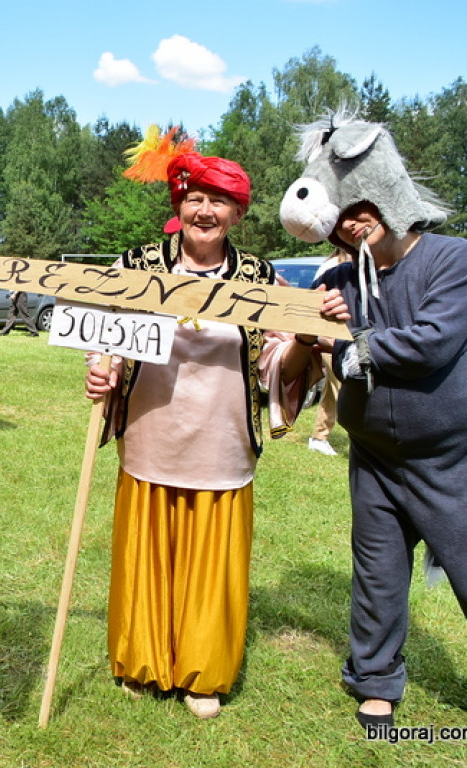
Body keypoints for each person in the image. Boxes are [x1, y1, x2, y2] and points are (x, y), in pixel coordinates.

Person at [85, 132, 349, 719]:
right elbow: (104, 337)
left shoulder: (259, 276)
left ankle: (203, 672)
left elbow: (275, 362)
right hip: (152, 433)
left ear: (237, 212)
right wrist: (100, 373)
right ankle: (144, 661)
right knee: (148, 551)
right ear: (178, 206)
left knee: (212, 560)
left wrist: (304, 339)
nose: (204, 210)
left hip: (222, 440)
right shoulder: (136, 266)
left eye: (218, 200)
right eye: (194, 197)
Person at [280, 109, 467, 729]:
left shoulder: (452, 259)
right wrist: (317, 323)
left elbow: (431, 341)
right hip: (375, 461)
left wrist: (352, 342)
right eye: (343, 213)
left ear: (390, 195)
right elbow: (309, 343)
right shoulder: (337, 277)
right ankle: (376, 680)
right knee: (378, 576)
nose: (354, 221)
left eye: (364, 206)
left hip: (450, 458)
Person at [307, 249, 352, 457]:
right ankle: (320, 437)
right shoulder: (332, 267)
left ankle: (319, 436)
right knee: (339, 389)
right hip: (330, 338)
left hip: (349, 337)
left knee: (332, 391)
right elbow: (313, 299)